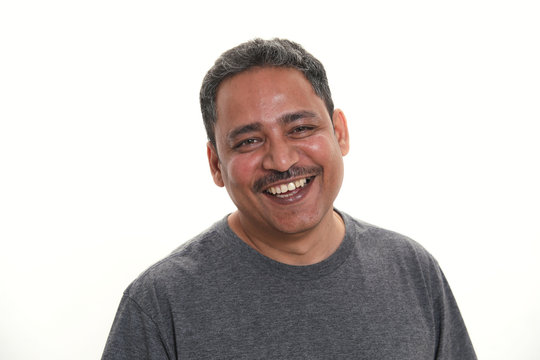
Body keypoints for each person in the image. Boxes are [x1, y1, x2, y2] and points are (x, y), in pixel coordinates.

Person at [101, 38, 477, 359]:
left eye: (300, 128)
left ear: (339, 132)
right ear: (216, 164)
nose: (281, 160)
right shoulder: (159, 304)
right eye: (249, 141)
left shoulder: (412, 271)